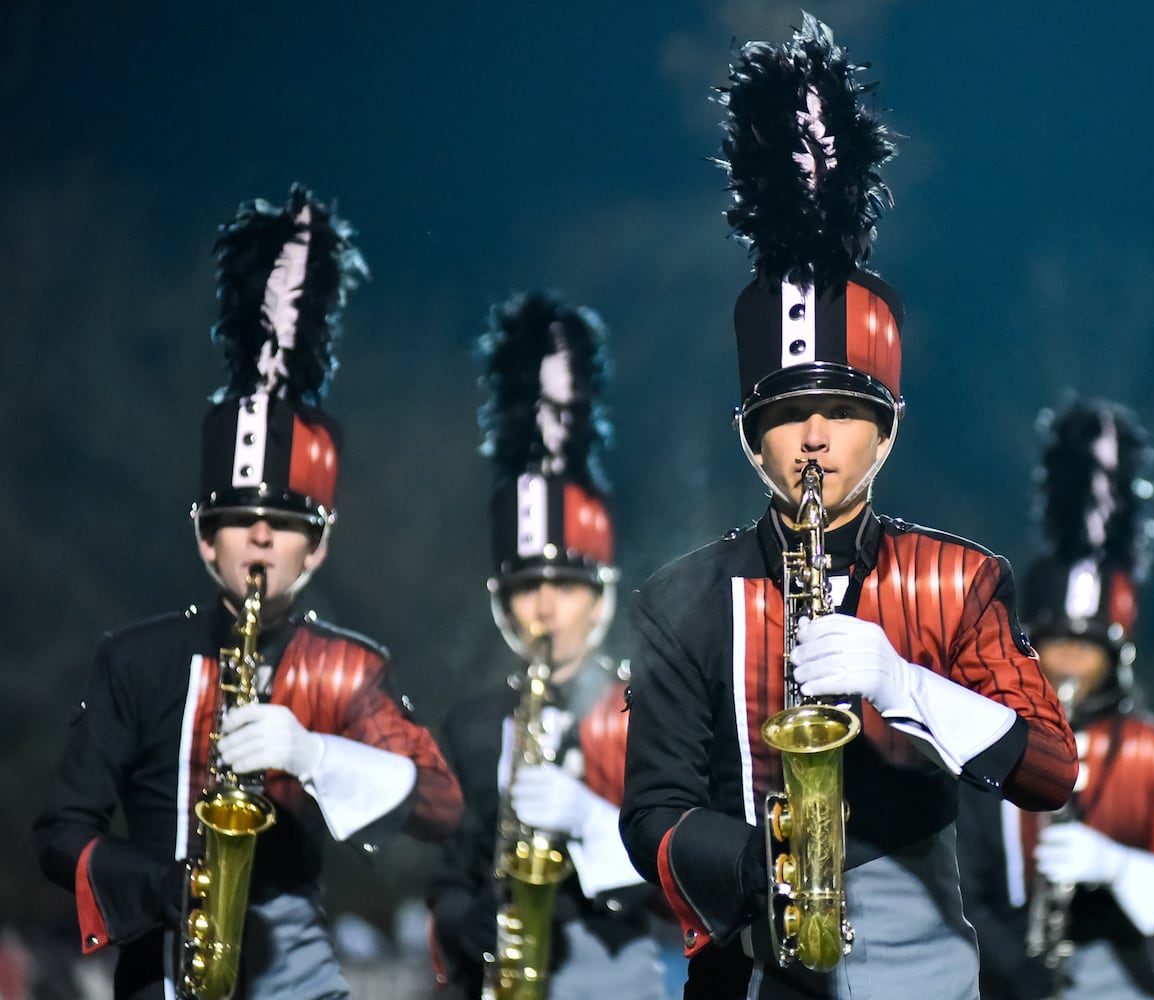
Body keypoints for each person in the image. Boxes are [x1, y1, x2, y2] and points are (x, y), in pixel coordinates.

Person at [616, 15, 1078, 1000]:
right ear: (750, 436)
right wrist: (768, 869)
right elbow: (650, 810)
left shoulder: (959, 579)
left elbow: (1048, 767)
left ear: (889, 428)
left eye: (843, 411)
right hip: (749, 965)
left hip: (920, 974)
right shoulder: (679, 601)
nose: (814, 439)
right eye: (787, 416)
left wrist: (904, 683)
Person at [31, 184, 464, 1000]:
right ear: (204, 537)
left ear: (319, 544)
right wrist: (164, 887)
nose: (261, 536)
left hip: (294, 973)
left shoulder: (346, 667)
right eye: (238, 518)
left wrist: (315, 754)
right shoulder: (136, 661)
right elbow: (59, 832)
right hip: (159, 963)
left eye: (284, 521)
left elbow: (443, 805)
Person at [427, 291, 667, 999]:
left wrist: (591, 821)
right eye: (525, 588)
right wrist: (469, 924)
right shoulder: (472, 726)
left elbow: (685, 881)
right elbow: (447, 879)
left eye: (566, 586)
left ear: (605, 595)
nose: (544, 608)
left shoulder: (648, 714)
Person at [956, 398, 1154, 1000]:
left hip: (1123, 974)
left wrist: (1118, 867)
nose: (1071, 662)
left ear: (1117, 653)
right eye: (1058, 644)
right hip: (999, 977)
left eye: (1088, 647)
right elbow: (961, 881)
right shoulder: (986, 738)